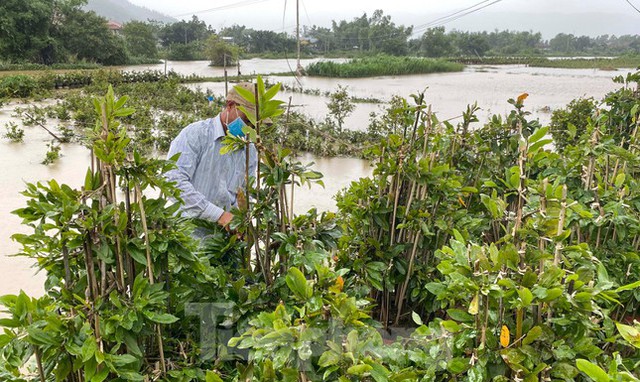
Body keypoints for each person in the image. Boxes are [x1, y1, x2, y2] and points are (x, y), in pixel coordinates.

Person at [165, 82, 259, 237]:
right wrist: (219, 215)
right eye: (246, 120)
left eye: (253, 125)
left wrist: (239, 219)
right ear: (230, 105)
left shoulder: (250, 150)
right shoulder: (195, 135)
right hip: (187, 239)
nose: (249, 128)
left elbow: (246, 192)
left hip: (225, 241)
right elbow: (173, 183)